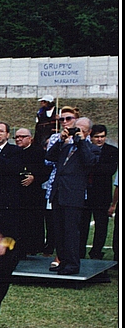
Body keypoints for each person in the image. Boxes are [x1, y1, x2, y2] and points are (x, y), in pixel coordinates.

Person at [46, 117, 100, 275]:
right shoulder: (66, 147)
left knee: (71, 231)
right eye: (76, 128)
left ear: (89, 132)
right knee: (59, 231)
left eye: (81, 129)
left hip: (73, 195)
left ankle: (72, 264)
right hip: (59, 193)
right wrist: (61, 140)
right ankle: (62, 260)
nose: (77, 131)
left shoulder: (91, 148)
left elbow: (89, 162)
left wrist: (81, 141)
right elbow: (50, 156)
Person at [79, 124, 118, 260]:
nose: (100, 139)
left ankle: (96, 253)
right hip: (85, 193)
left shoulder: (113, 151)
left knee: (101, 227)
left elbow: (109, 170)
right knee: (82, 226)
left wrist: (92, 166)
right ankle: (80, 253)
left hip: (102, 195)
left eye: (102, 137)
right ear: (91, 136)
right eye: (97, 137)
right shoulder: (85, 149)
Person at [13, 127, 48, 258]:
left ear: (30, 138)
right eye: (16, 137)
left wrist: (34, 177)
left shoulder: (38, 152)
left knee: (34, 221)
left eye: (22, 137)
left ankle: (33, 247)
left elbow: (46, 170)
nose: (18, 139)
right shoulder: (14, 152)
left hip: (34, 193)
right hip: (17, 192)